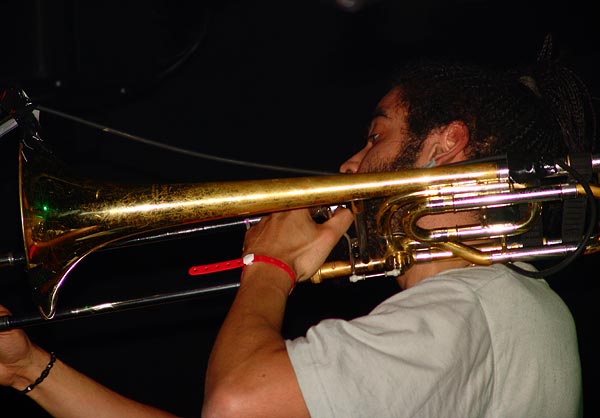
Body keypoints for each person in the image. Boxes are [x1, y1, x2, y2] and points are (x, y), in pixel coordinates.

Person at [0, 36, 596, 417]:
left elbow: (237, 403)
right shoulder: (509, 310)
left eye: (376, 134)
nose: (351, 165)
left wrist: (268, 271)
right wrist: (30, 369)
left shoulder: (475, 306)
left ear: (445, 146)